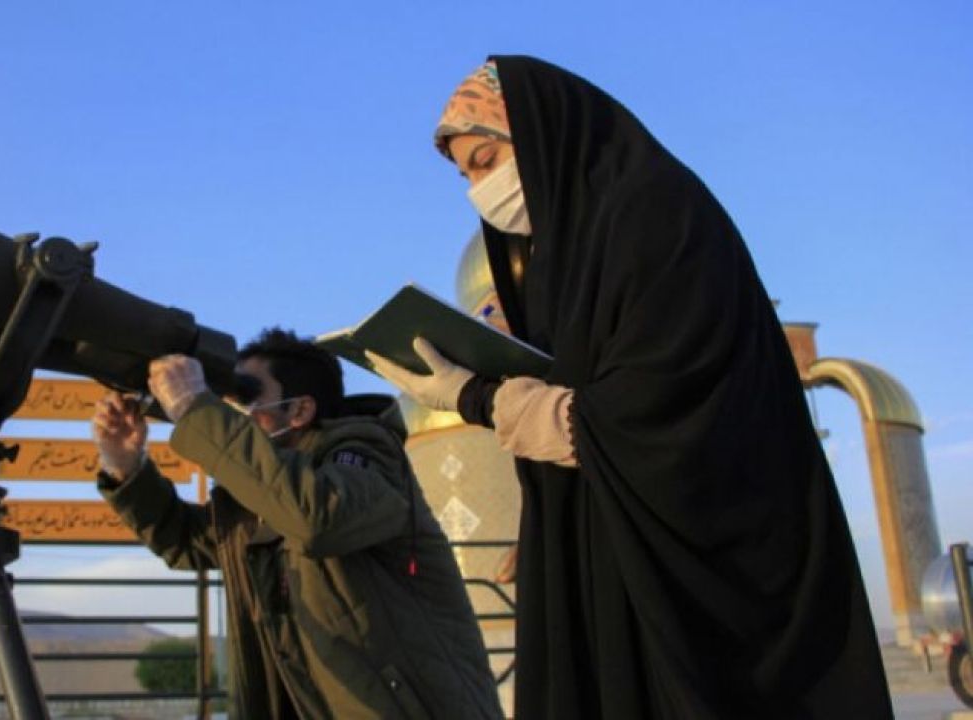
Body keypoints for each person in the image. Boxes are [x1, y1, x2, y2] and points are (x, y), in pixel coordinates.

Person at [368, 57, 893, 719]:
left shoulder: (654, 214)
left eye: (487, 159)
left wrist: (478, 398)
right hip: (615, 557)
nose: (479, 190)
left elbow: (654, 417)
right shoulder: (568, 255)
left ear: (545, 133)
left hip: (711, 586)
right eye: (466, 175)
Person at [93, 328, 502, 720]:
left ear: (300, 410)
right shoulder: (263, 493)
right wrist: (126, 465)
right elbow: (187, 542)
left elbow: (319, 517)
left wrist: (195, 410)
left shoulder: (369, 454)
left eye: (247, 398)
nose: (235, 413)